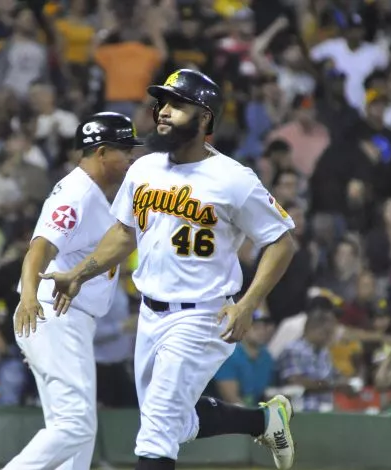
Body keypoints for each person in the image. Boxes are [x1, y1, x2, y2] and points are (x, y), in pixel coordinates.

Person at [41, 69, 297, 470]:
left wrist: (247, 305)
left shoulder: (234, 179)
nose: (163, 111)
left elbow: (281, 242)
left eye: (178, 105)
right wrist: (78, 274)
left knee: (157, 431)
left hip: (203, 316)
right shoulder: (145, 168)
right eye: (163, 102)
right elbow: (124, 233)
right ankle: (265, 420)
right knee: (172, 422)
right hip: (150, 313)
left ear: (205, 118)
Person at [4, 112, 142, 470]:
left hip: (67, 319)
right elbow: (40, 248)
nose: (131, 157)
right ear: (100, 151)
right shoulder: (77, 193)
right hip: (55, 313)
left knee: (79, 434)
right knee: (75, 425)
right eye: (124, 149)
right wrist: (31, 298)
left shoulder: (95, 193)